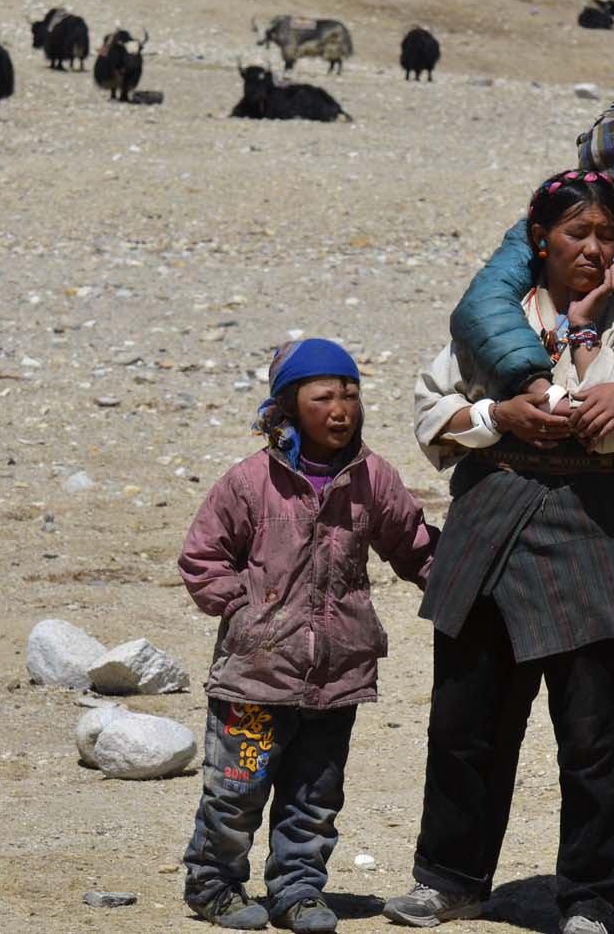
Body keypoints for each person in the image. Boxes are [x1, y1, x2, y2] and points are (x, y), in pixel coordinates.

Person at [393, 96, 614, 934]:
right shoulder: (506, 292)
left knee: (604, 727)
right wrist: (505, 413)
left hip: (608, 527)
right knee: (468, 715)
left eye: (607, 231)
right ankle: (450, 876)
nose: (597, 243)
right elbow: (439, 394)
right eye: (581, 231)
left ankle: (609, 895)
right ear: (547, 239)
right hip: (492, 520)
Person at [178, 338, 438, 932]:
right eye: (324, 397)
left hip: (338, 676)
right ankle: (213, 885)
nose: (341, 409)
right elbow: (202, 557)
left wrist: (461, 585)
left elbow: (412, 545)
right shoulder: (250, 482)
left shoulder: (372, 477)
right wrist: (241, 610)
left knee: (314, 799)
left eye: (351, 395)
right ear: (289, 407)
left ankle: (297, 891)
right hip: (255, 676)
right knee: (235, 792)